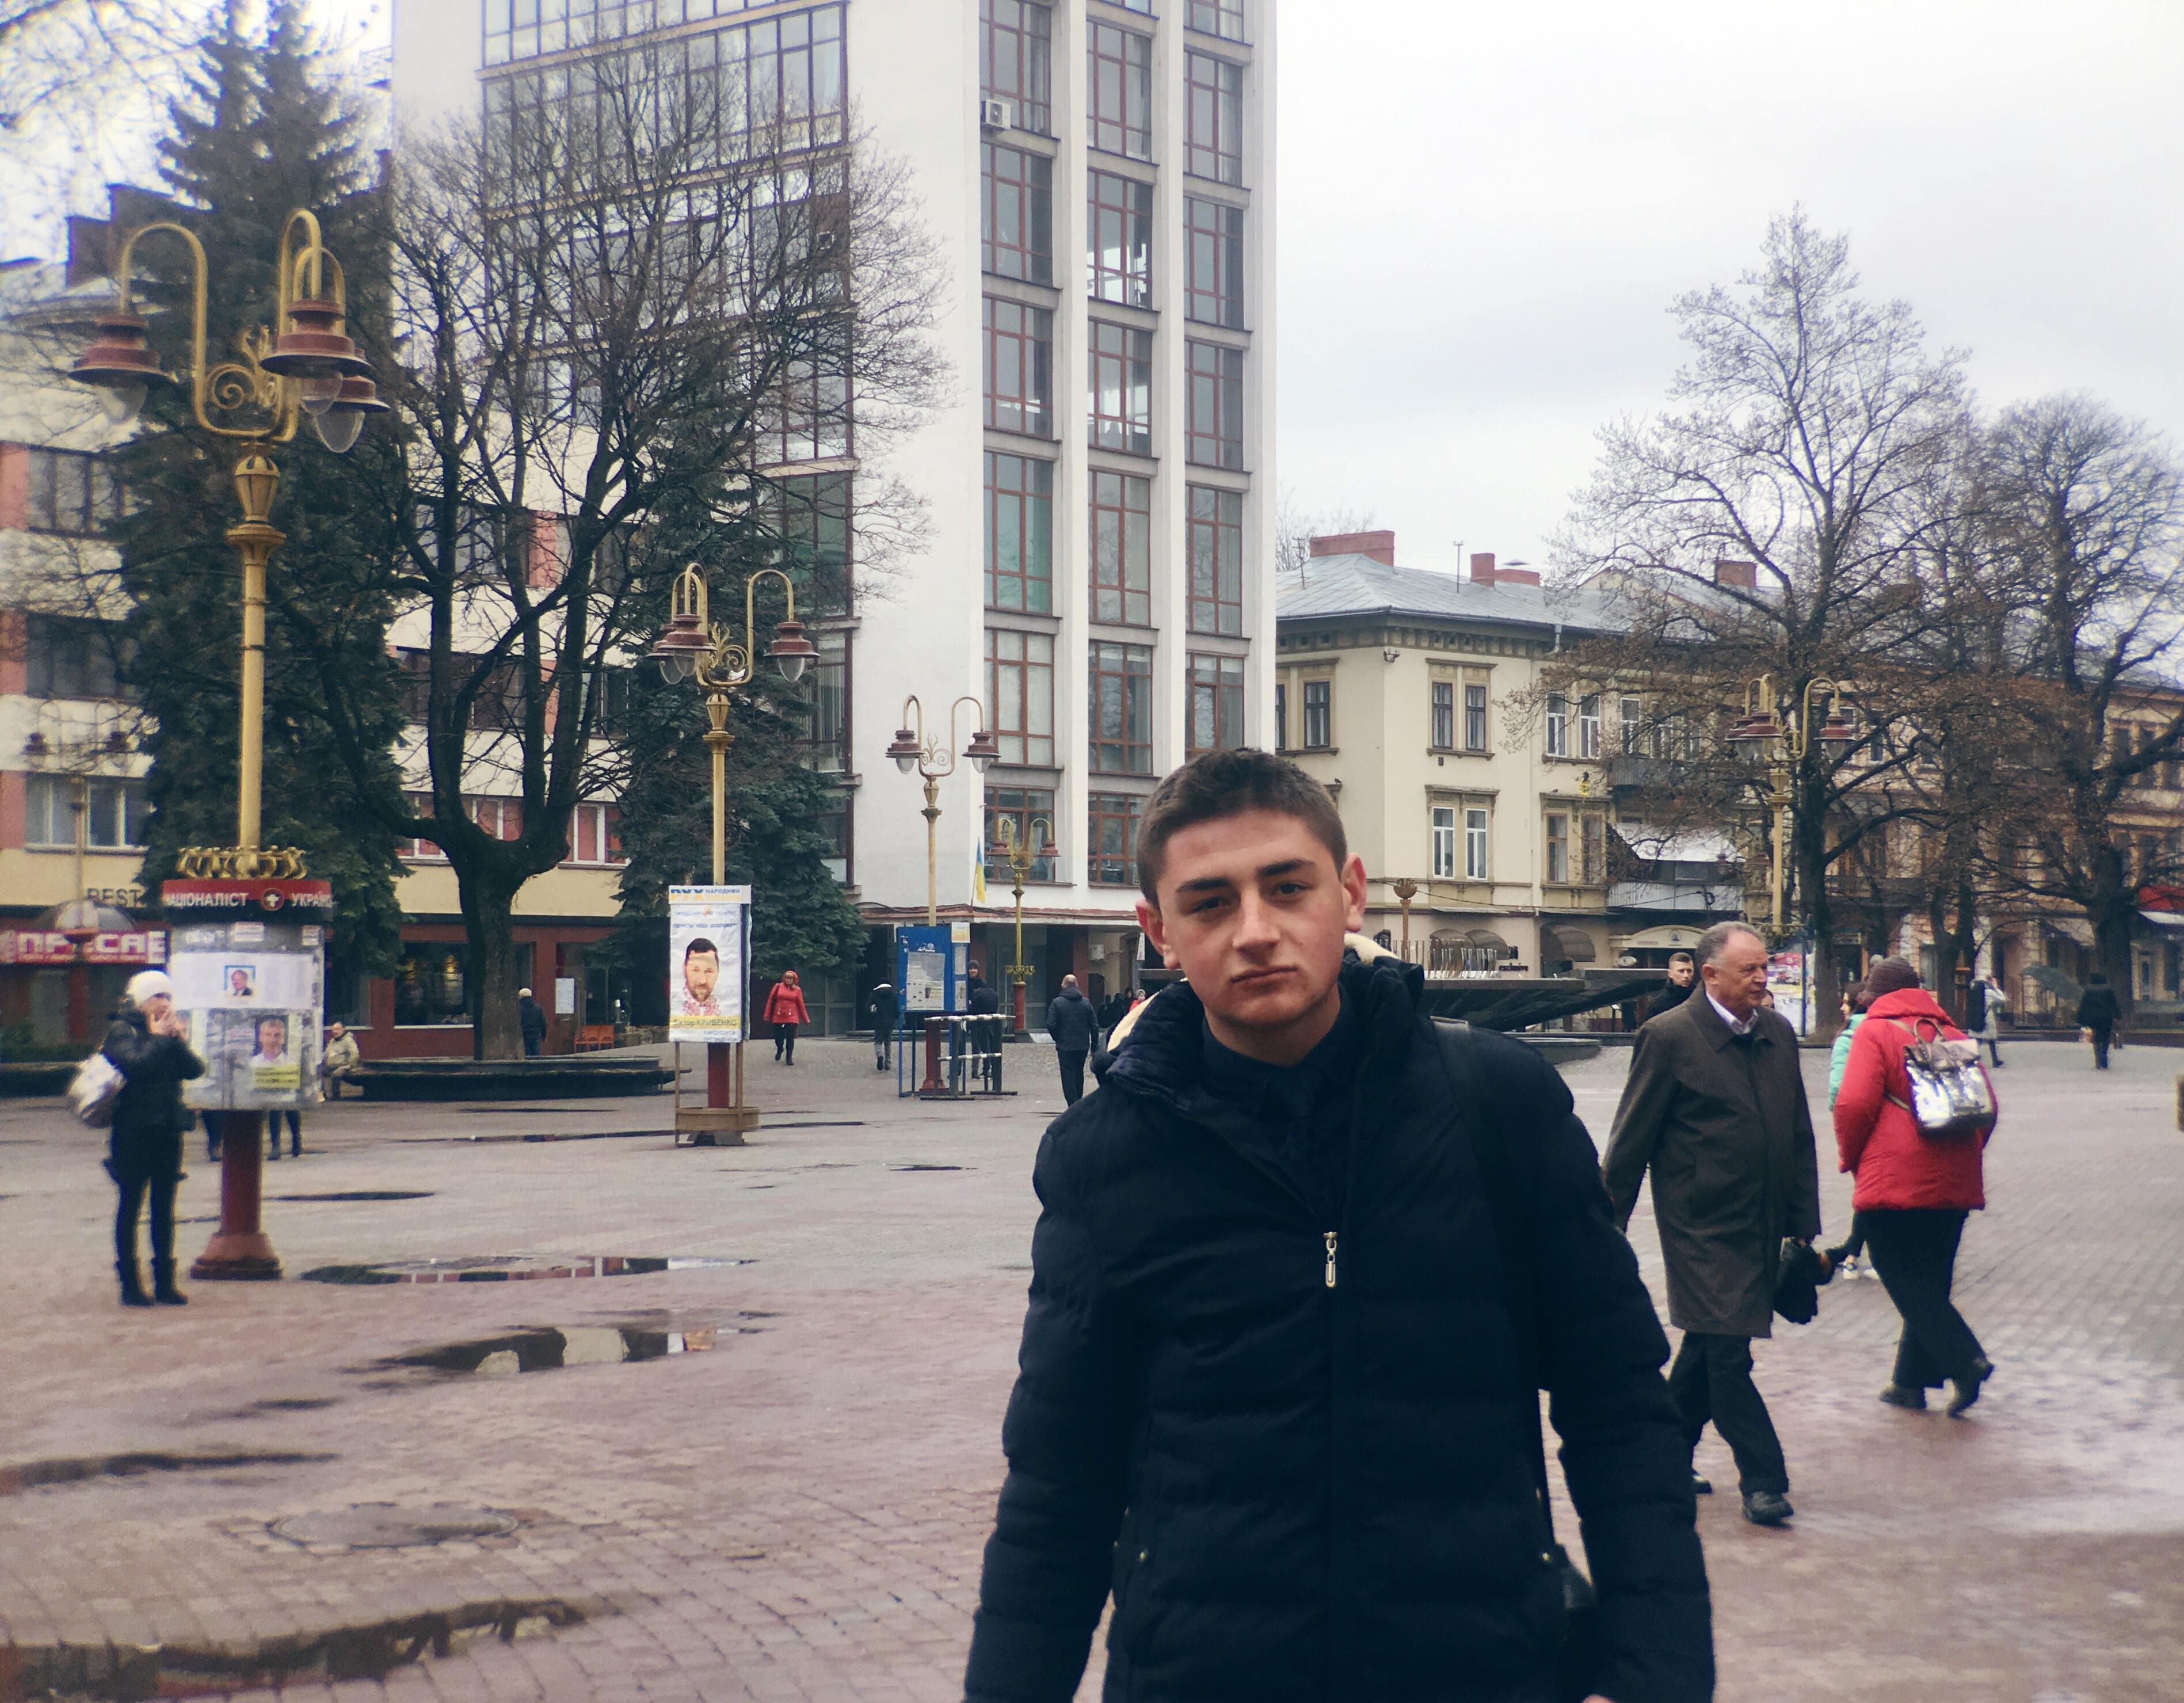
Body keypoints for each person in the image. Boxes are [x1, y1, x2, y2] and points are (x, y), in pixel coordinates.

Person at [966, 749, 1712, 1703]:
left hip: (1476, 1663)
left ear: (1349, 892)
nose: (1256, 930)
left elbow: (1619, 1412)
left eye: (1287, 887)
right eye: (1210, 902)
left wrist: (1660, 1672)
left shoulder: (1499, 1104)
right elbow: (1057, 1488)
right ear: (1158, 928)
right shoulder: (1106, 1155)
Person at [1604, 919, 1822, 1528]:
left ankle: (1661, 1456)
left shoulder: (1777, 1032)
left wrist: (1804, 1225)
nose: (1763, 977)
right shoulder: (1668, 1036)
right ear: (1710, 975)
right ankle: (1763, 1478)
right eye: (1751, 969)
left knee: (1707, 1346)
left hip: (1766, 1222)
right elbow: (1629, 1146)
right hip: (1701, 1227)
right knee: (1728, 1352)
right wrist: (1601, 1234)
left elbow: (1799, 1135)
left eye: (1765, 966)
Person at [1832, 957, 1996, 1416]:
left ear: (1874, 997)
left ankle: (1965, 1361)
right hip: (1954, 1175)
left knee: (1898, 1271)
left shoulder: (1873, 1031)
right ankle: (1908, 1382)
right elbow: (1989, 1106)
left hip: (1895, 1177)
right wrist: (1965, 1152)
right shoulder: (1953, 1033)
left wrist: (1852, 1157)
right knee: (1930, 1276)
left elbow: (1852, 1103)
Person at [102, 970, 206, 1308]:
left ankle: (165, 1283)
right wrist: (161, 1039)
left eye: (168, 997)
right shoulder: (123, 1030)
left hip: (167, 1130)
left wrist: (179, 1041)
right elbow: (136, 1066)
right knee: (131, 1205)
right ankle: (131, 1286)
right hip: (133, 1130)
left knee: (164, 1207)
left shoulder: (166, 1034)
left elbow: (194, 1070)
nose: (164, 1003)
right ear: (141, 1001)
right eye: (157, 996)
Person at [1823, 981, 1876, 1279]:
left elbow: (1837, 1091)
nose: (1842, 1007)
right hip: (1891, 1128)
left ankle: (1853, 1257)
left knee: (1869, 1194)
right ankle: (1853, 1255)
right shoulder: (1894, 1029)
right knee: (1872, 1194)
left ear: (1858, 1003)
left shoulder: (1849, 1036)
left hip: (1860, 1126)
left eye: (1847, 1002)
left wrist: (1842, 1129)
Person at [252, 1014, 303, 1160]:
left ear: (283, 1038)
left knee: (292, 1110)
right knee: (274, 1111)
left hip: (286, 1088)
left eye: (277, 1035)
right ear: (261, 1037)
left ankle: (296, 1141)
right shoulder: (254, 1064)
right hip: (266, 1091)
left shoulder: (291, 1063)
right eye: (268, 1035)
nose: (273, 1039)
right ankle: (275, 1145)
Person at [1041, 973, 1096, 1106]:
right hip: (1082, 1045)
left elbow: (1051, 1024)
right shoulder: (1086, 1003)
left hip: (1065, 1046)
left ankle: (1072, 1104)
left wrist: (1058, 1038)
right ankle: (1079, 1102)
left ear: (1063, 986)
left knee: (1068, 1077)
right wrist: (1094, 1045)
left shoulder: (1057, 1003)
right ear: (1077, 985)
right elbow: (1094, 1026)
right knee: (1079, 1074)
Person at [764, 969, 810, 1064]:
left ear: (794, 980)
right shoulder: (778, 987)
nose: (789, 980)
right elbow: (771, 1000)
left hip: (792, 1017)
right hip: (778, 1015)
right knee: (778, 1037)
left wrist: (806, 1019)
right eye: (787, 978)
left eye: (791, 979)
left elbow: (801, 1004)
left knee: (790, 1038)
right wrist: (767, 1014)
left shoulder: (797, 990)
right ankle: (780, 1048)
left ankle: (789, 1058)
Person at [2075, 972, 2120, 1069]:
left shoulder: (2088, 991)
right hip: (2106, 1017)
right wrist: (2117, 1016)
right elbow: (2114, 1005)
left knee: (2096, 1035)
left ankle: (2098, 1055)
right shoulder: (2109, 991)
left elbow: (2084, 1005)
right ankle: (2103, 1052)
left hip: (2092, 1017)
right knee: (2105, 1036)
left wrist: (2079, 1017)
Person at [677, 940, 725, 1018]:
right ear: (684, 969)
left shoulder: (726, 1006)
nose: (702, 981)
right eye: (696, 971)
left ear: (718, 971)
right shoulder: (675, 1006)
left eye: (709, 972)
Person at [1968, 973, 2006, 1068]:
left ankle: (1970, 1059)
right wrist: (1995, 988)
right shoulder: (1989, 993)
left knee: (1977, 1040)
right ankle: (1995, 1060)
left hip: (1976, 1017)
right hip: (1987, 1017)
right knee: (1991, 1040)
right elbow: (2002, 999)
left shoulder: (1973, 992)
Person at [321, 1021, 362, 1099]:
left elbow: (355, 1053)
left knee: (336, 1074)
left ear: (343, 1030)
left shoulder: (349, 1040)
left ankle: (336, 1096)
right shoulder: (333, 1041)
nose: (335, 1032)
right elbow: (326, 1053)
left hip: (344, 1065)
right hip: (331, 1065)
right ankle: (323, 1095)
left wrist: (351, 1065)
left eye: (337, 1029)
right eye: (333, 1030)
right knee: (319, 1072)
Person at [1651, 950, 1697, 1016]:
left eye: (1689, 971)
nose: (1686, 976)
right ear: (1670, 974)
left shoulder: (1701, 998)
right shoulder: (1658, 1004)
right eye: (1681, 971)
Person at [869, 981, 897, 1071]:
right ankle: (888, 1062)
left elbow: (868, 1007)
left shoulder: (875, 994)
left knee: (878, 1041)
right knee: (888, 1042)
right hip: (890, 1022)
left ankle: (880, 1055)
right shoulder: (894, 994)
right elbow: (897, 1008)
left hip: (878, 1021)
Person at [518, 986, 548, 1057]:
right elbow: (543, 1023)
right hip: (536, 1034)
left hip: (524, 1034)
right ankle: (536, 1067)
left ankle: (526, 1068)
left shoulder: (519, 1010)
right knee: (536, 1055)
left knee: (526, 1055)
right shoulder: (538, 1009)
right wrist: (544, 1036)